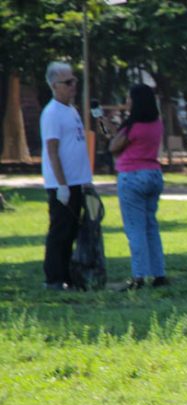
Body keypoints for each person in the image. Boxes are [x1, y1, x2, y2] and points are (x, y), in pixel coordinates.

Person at [101, 84, 167, 290]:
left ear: (137, 101)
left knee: (134, 228)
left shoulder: (133, 125)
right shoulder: (157, 123)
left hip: (132, 177)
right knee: (151, 227)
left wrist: (112, 131)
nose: (126, 102)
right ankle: (158, 274)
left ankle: (138, 276)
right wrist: (114, 129)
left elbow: (114, 147)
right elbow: (125, 139)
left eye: (129, 99)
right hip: (153, 174)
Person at [40, 61, 93, 290]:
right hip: (62, 184)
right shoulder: (52, 113)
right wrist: (61, 185)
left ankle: (67, 276)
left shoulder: (71, 110)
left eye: (75, 81)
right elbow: (52, 150)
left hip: (76, 181)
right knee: (60, 232)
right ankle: (53, 277)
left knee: (72, 231)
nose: (74, 86)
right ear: (55, 85)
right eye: (68, 82)